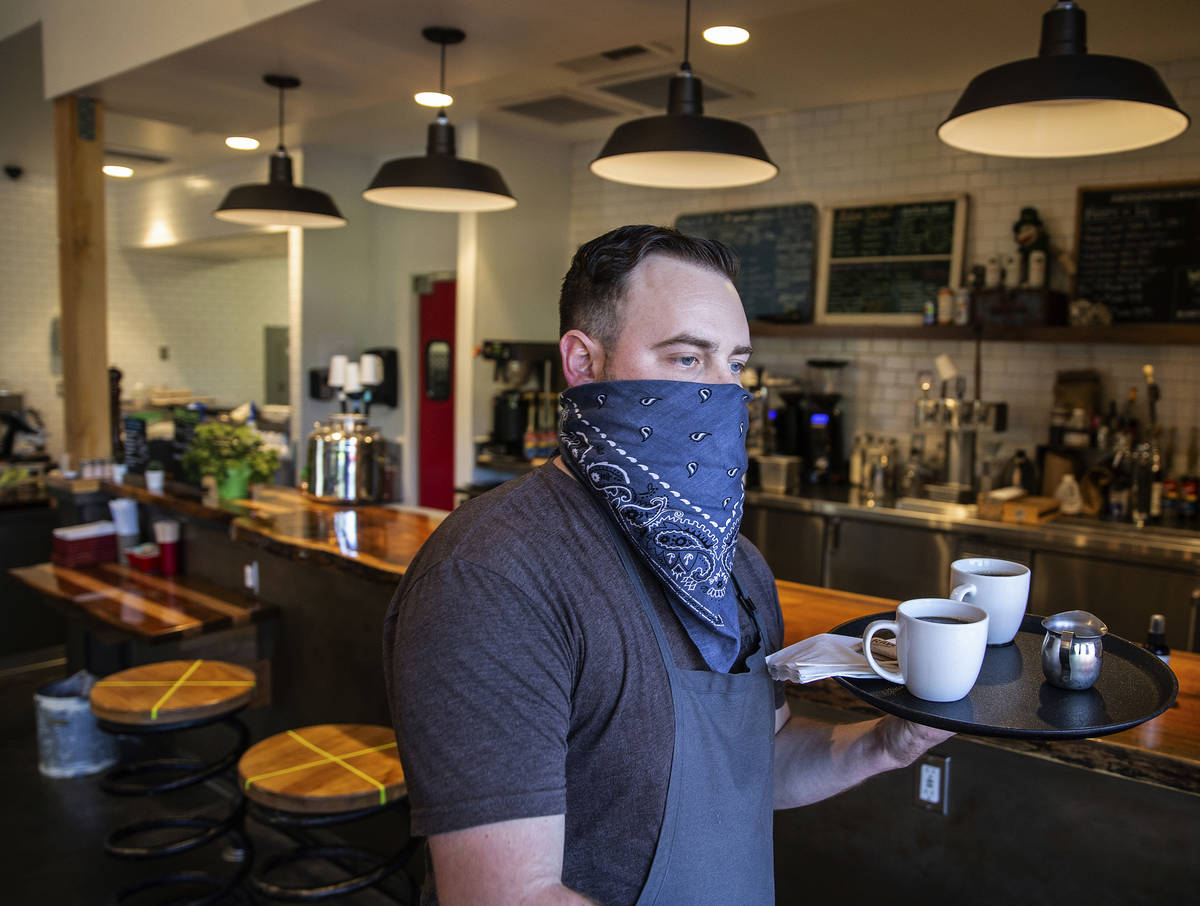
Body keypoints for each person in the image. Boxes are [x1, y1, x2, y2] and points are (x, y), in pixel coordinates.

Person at [384, 224, 952, 906]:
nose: (722, 393)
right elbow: (510, 897)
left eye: (735, 365)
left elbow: (752, 764)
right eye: (687, 360)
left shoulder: (735, 566)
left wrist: (886, 745)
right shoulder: (492, 576)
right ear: (582, 362)